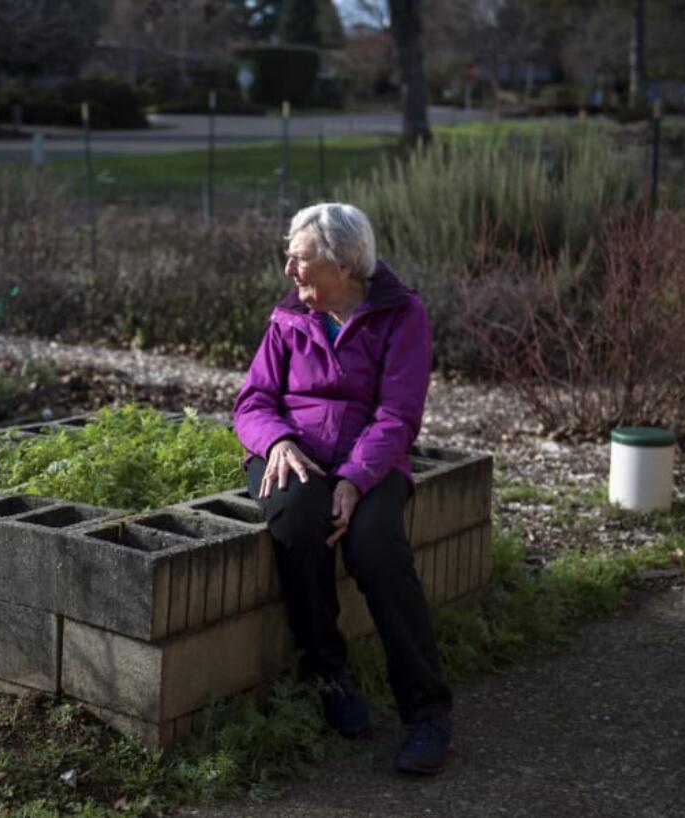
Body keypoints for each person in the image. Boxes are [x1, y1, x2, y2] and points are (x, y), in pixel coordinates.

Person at [233, 202, 453, 775]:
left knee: (375, 545)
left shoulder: (403, 315)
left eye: (299, 259)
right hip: (293, 453)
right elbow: (253, 401)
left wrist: (355, 479)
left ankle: (427, 713)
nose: (288, 270)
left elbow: (398, 414)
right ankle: (330, 677)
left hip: (371, 460)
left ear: (341, 265)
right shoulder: (287, 320)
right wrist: (278, 442)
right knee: (298, 523)